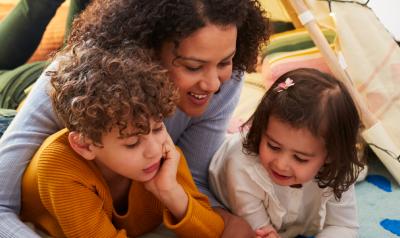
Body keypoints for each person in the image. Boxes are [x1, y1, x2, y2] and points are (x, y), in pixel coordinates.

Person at [0, 0, 270, 237]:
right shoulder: (65, 83)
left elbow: (192, 181)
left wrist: (230, 223)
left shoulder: (227, 80)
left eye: (225, 62)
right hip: (15, 93)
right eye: (193, 67)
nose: (213, 84)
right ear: (148, 51)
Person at [20, 43, 224, 237]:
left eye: (158, 128)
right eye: (132, 143)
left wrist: (170, 191)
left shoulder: (165, 156)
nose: (154, 150)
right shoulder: (60, 167)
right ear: (84, 144)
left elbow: (214, 232)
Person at [209, 68, 365, 238]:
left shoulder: (338, 169)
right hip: (224, 189)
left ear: (331, 156)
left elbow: (344, 226)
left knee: (354, 171)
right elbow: (260, 230)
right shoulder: (241, 166)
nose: (281, 164)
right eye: (273, 147)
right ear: (261, 130)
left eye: (300, 158)